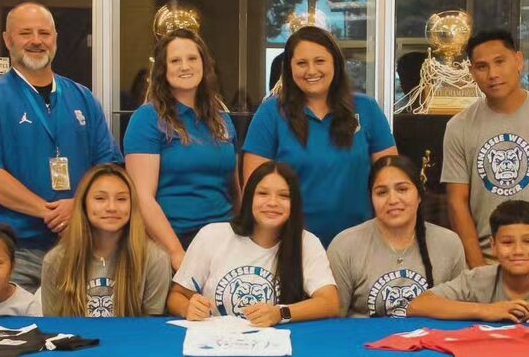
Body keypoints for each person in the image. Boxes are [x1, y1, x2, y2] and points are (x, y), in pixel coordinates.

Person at [0, 2, 121, 291]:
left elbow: (108, 168)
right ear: (8, 40)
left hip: (76, 248)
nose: (36, 40)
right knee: (10, 333)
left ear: (55, 39)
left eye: (44, 33)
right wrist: (48, 211)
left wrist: (79, 206)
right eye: (25, 33)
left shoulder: (82, 97)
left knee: (78, 333)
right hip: (13, 254)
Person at [441, 29, 529, 269]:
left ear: (518, 61)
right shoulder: (458, 127)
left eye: (500, 62)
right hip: (486, 263)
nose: (493, 74)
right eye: (482, 66)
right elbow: (457, 202)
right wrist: (478, 269)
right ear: (471, 72)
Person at [243, 26, 397, 248]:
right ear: (289, 68)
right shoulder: (271, 113)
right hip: (291, 245)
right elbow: (254, 188)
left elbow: (390, 178)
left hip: (361, 245)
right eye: (301, 63)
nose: (311, 70)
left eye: (320, 61)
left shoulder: (367, 108)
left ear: (335, 62)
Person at [168, 162, 340, 326]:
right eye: (263, 193)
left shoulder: (307, 242)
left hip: (277, 346)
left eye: (284, 195)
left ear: (294, 204)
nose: (272, 202)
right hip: (216, 346)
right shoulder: (212, 235)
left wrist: (281, 313)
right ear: (249, 197)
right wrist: (187, 308)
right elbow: (176, 296)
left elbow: (329, 302)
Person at [124, 29, 239, 271]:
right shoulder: (147, 119)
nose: (185, 66)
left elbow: (234, 189)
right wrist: (177, 254)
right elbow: (142, 197)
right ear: (163, 70)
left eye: (192, 58)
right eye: (175, 60)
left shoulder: (222, 120)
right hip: (174, 241)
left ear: (204, 64)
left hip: (225, 240)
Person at [328, 155, 465, 317]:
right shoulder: (345, 246)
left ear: (419, 195)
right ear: (371, 198)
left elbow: (459, 314)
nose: (393, 200)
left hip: (430, 340)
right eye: (382, 192)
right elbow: (333, 321)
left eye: (402, 189)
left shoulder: (449, 244)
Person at [40, 164, 171, 317]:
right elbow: (54, 328)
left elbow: (153, 328)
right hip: (76, 341)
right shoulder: (56, 260)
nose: (111, 207)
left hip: (133, 341)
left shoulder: (155, 259)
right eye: (100, 198)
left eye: (121, 199)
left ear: (132, 205)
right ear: (83, 204)